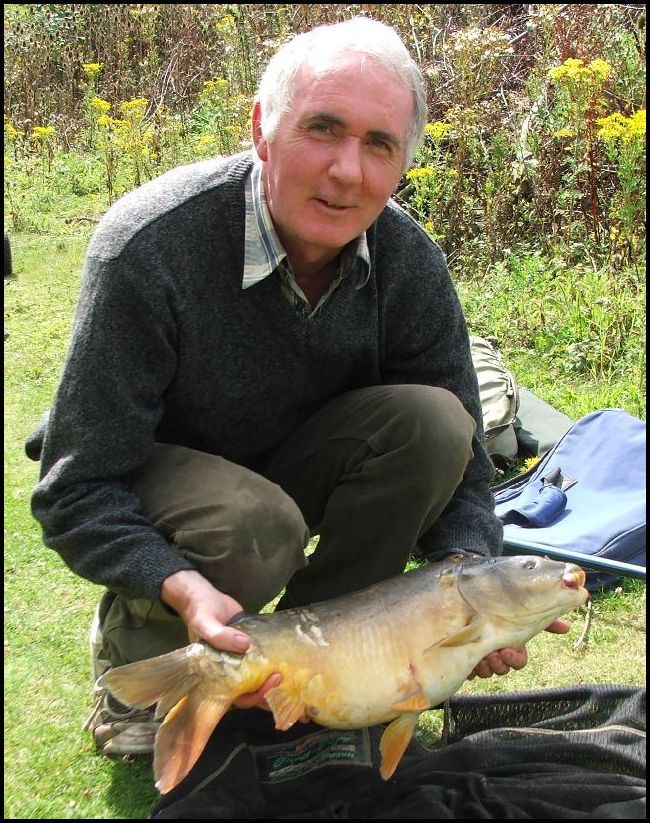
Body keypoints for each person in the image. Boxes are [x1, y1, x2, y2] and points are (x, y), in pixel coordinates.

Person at [28, 17, 568, 760]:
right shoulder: (147, 247)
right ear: (261, 128)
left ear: (402, 165)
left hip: (295, 455)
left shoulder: (411, 264)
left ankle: (330, 673)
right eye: (322, 128)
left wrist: (474, 592)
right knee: (255, 525)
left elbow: (468, 471)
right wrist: (176, 584)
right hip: (171, 477)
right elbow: (76, 486)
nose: (348, 170)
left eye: (379, 144)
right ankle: (141, 644)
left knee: (436, 422)